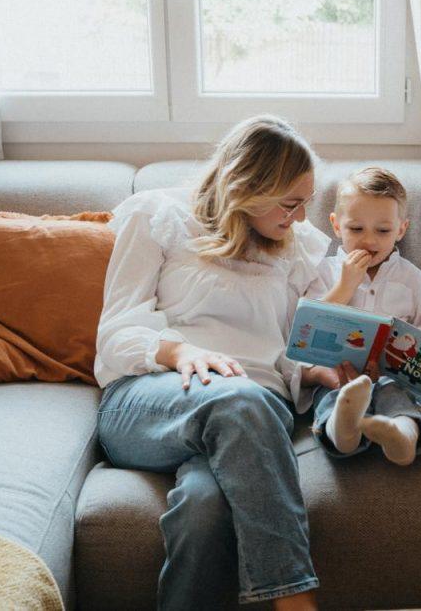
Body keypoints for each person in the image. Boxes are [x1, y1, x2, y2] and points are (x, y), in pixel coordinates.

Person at [94, 115, 342, 610]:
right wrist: (179, 350)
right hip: (153, 397)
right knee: (239, 398)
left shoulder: (298, 248)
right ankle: (295, 598)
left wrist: (315, 371)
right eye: (290, 203)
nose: (298, 217)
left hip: (256, 411)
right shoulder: (160, 216)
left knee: (206, 507)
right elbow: (114, 334)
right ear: (247, 186)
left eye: (306, 203)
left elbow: (289, 352)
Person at [306, 167, 421, 466]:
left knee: (400, 396)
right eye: (356, 229)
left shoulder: (414, 280)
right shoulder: (323, 272)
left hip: (392, 378)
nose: (369, 241)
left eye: (382, 231)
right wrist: (345, 286)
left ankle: (402, 434)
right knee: (334, 396)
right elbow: (308, 327)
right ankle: (343, 430)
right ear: (336, 225)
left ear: (401, 230)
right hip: (337, 378)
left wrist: (409, 358)